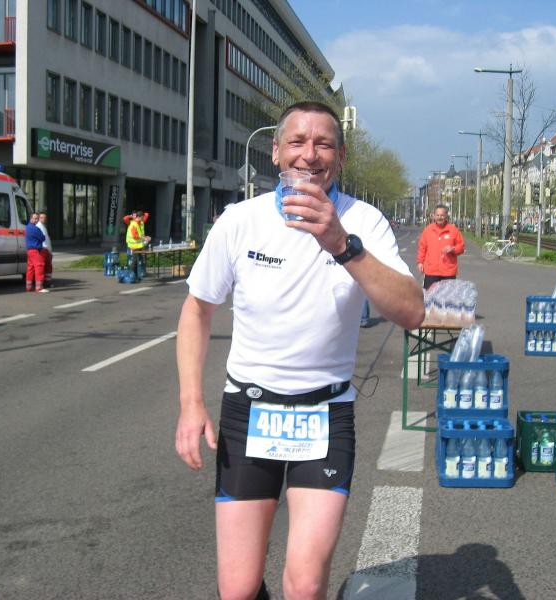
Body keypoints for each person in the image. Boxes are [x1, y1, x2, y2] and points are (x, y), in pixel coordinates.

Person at [174, 101, 424, 600]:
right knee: (238, 589)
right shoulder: (239, 221)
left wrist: (341, 243)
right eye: (297, 142)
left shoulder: (364, 221)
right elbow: (197, 310)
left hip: (325, 414)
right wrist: (191, 403)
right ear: (275, 152)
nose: (309, 155)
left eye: (323, 144)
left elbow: (412, 311)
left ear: (341, 157)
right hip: (249, 411)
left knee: (306, 585)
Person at [416, 204, 465, 290]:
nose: (439, 217)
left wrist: (453, 249)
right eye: (437, 215)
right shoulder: (428, 230)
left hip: (448, 272)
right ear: (434, 216)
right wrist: (420, 262)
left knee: (448, 297)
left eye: (442, 215)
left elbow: (461, 247)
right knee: (430, 296)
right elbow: (422, 248)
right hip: (431, 271)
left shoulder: (453, 230)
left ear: (446, 216)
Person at [125, 210, 151, 282]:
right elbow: (135, 236)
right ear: (140, 217)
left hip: (138, 245)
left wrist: (145, 238)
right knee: (134, 261)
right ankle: (131, 276)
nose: (143, 219)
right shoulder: (134, 224)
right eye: (142, 217)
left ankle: (135, 277)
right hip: (134, 245)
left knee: (137, 261)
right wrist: (145, 238)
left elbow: (146, 215)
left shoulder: (139, 223)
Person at [25, 212, 48, 293]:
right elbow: (43, 238)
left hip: (29, 250)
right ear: (31, 218)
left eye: (37, 219)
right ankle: (39, 287)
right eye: (34, 218)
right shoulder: (35, 228)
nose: (36, 220)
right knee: (39, 267)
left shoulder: (27, 227)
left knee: (30, 269)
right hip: (35, 250)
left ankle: (28, 287)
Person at [37, 212, 53, 288]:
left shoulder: (43, 226)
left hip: (46, 249)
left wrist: (50, 250)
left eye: (45, 217)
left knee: (48, 267)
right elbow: (43, 240)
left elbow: (47, 239)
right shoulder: (39, 226)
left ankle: (47, 282)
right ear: (39, 218)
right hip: (43, 249)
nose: (44, 219)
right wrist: (47, 250)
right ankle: (43, 283)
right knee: (43, 267)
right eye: (42, 217)